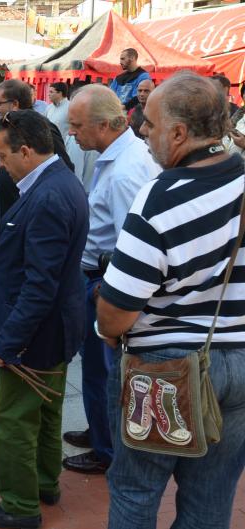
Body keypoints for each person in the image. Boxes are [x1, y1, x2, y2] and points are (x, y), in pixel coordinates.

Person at [97, 71, 245, 529]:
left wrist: (106, 318)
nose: (142, 130)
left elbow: (115, 316)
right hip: (239, 363)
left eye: (151, 124)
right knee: (211, 498)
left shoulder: (160, 198)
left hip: (164, 369)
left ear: (180, 133)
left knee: (136, 494)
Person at [0, 110, 88, 529]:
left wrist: (4, 344)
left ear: (25, 150)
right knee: (46, 408)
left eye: (3, 156)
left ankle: (20, 506)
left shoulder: (49, 195)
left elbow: (39, 286)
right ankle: (43, 482)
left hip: (36, 333)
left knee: (13, 419)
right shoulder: (55, 182)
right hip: (53, 327)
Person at [60, 84, 160, 476]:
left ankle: (107, 450)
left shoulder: (124, 172)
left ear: (103, 126)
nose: (72, 133)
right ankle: (100, 430)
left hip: (104, 282)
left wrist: (107, 292)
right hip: (99, 278)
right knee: (99, 370)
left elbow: (128, 245)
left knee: (102, 371)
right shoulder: (122, 157)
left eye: (77, 126)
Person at [0, 79, 73, 219]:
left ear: (15, 104)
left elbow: (64, 168)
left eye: (0, 103)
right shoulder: (9, 127)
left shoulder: (41, 127)